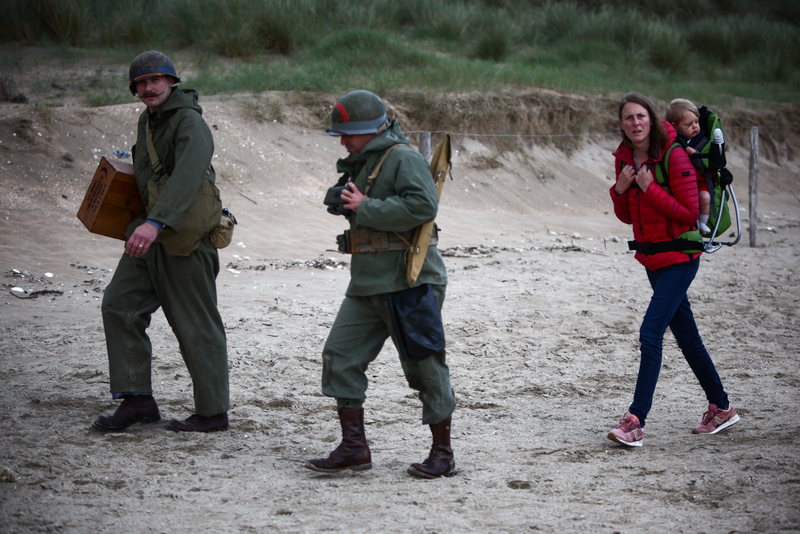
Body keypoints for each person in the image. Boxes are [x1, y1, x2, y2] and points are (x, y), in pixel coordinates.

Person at [305, 90, 456, 478]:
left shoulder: (402, 157)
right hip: (367, 281)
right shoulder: (363, 160)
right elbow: (361, 201)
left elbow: (424, 207)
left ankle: (442, 452)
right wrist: (343, 200)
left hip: (410, 280)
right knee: (339, 355)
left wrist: (364, 207)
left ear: (369, 129)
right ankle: (355, 447)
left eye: (347, 133)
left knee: (424, 365)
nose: (342, 141)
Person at [93, 50, 229, 433]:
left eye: (156, 80)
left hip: (182, 237)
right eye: (141, 82)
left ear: (172, 82)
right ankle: (137, 400)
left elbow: (187, 177)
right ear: (135, 89)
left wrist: (155, 223)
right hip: (148, 233)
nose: (149, 88)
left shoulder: (190, 122)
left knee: (195, 325)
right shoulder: (147, 120)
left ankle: (212, 413)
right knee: (119, 305)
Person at [607, 92, 739, 447]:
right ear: (621, 124)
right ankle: (722, 407)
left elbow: (688, 212)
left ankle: (635, 420)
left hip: (681, 257)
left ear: (651, 119)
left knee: (651, 334)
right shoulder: (624, 158)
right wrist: (619, 191)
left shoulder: (673, 153)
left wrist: (649, 189)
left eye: (640, 116)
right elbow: (625, 215)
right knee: (687, 337)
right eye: (628, 118)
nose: (635, 123)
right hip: (652, 259)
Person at [665, 98, 712, 235]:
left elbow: (706, 161)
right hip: (681, 181)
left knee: (704, 197)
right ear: (675, 127)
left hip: (700, 179)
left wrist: (696, 154)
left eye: (696, 122)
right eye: (689, 124)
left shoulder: (703, 139)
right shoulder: (673, 141)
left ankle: (702, 222)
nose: (695, 127)